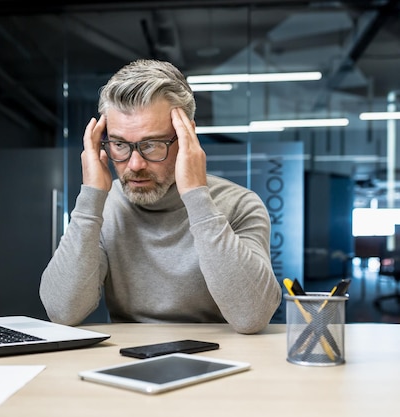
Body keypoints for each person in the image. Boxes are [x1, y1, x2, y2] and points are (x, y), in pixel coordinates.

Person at [39, 59, 281, 334]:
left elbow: (252, 316)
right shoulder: (102, 208)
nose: (134, 164)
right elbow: (61, 311)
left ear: (186, 136)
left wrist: (197, 197)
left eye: (152, 145)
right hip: (126, 361)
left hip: (221, 360)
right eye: (119, 144)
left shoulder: (240, 205)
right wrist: (90, 198)